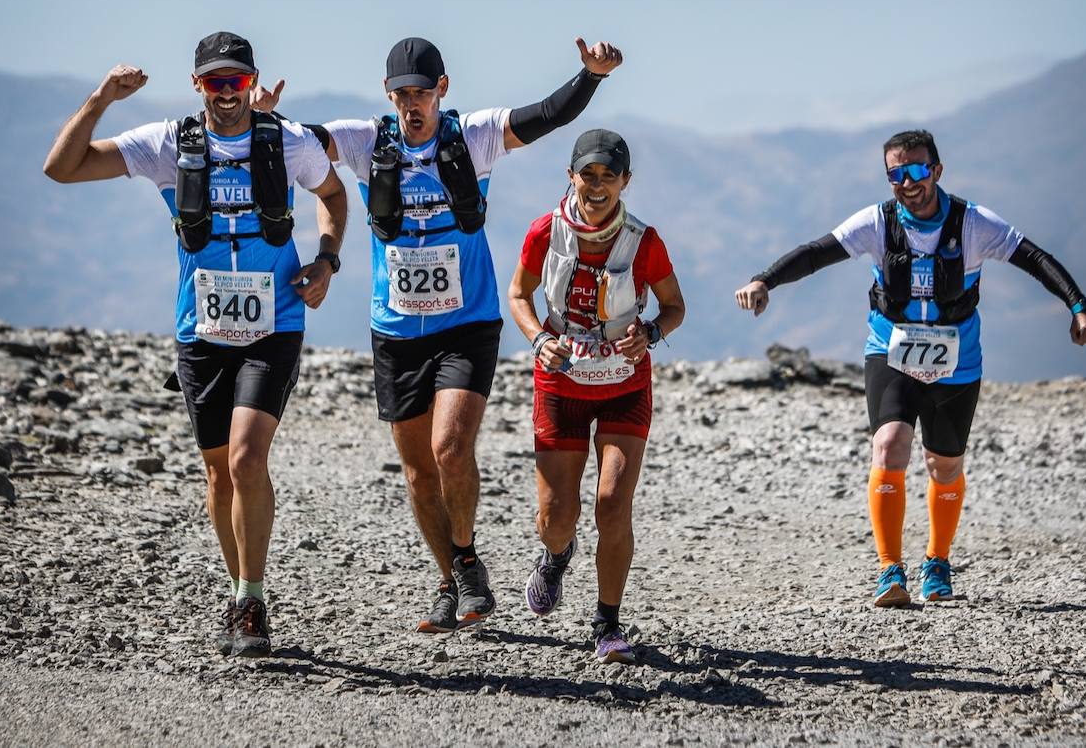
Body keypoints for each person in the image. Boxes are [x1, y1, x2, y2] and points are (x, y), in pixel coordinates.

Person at [265, 35, 623, 631]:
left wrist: (589, 77)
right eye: (401, 93)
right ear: (388, 94)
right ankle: (453, 573)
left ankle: (466, 557)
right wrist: (265, 116)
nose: (412, 104)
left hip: (467, 322)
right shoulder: (364, 141)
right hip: (396, 329)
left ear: (442, 91)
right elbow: (303, 142)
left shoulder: (472, 138)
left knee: (449, 449)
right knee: (416, 473)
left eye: (422, 93)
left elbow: (546, 115)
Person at [42, 32, 348, 656]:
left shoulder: (287, 142)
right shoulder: (167, 145)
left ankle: (251, 601)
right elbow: (62, 168)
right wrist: (102, 97)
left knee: (245, 459)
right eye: (216, 82)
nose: (228, 93)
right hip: (201, 332)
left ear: (252, 80)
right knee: (217, 473)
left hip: (275, 323)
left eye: (237, 81)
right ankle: (238, 587)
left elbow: (335, 196)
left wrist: (326, 262)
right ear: (197, 85)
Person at [734, 129, 1086, 607]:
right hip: (891, 351)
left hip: (957, 360)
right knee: (889, 446)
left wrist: (1079, 305)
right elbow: (816, 252)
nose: (907, 182)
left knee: (943, 465)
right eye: (895, 173)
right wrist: (765, 279)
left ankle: (937, 562)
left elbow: (1034, 257)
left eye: (916, 170)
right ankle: (890, 569)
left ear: (936, 170)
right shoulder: (877, 222)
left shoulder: (973, 223)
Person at [508, 129, 684, 663]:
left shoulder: (643, 242)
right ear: (571, 176)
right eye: (589, 174)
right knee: (557, 515)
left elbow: (675, 307)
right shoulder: (546, 232)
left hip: (624, 387)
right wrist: (539, 339)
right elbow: (518, 293)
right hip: (561, 384)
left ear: (625, 181)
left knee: (612, 506)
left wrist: (649, 333)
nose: (599, 186)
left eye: (610, 176)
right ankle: (557, 556)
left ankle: (607, 622)